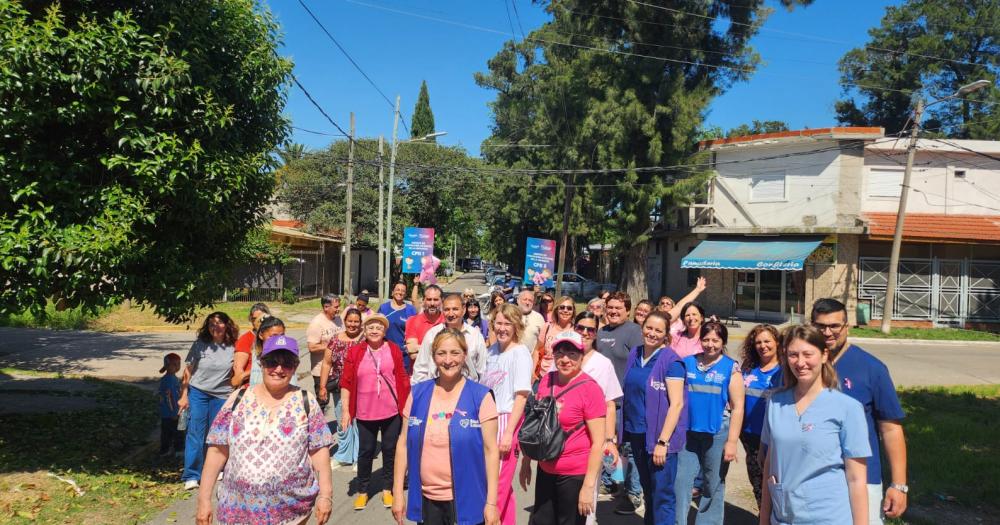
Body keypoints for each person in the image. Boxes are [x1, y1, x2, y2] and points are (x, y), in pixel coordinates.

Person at [196, 335, 334, 525]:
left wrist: (326, 496)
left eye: (286, 363)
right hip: (237, 510)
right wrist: (204, 500)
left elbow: (319, 452)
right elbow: (217, 451)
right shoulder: (238, 398)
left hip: (291, 512)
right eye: (272, 362)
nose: (278, 369)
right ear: (261, 363)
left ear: (295, 367)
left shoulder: (306, 401)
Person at [759, 324, 870, 525]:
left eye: (808, 354)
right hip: (783, 516)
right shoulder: (775, 403)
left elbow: (857, 480)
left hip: (828, 517)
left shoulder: (848, 408)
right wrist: (764, 519)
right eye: (793, 355)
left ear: (824, 355)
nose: (800, 363)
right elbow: (770, 464)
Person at [812, 298, 908, 523]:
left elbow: (891, 429)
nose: (827, 332)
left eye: (835, 326)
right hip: (815, 476)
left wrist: (899, 485)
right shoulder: (805, 365)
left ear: (846, 326)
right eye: (821, 326)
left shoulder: (872, 369)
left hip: (863, 478)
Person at [392, 329, 501, 525]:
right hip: (428, 501)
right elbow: (403, 445)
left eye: (455, 353)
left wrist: (492, 503)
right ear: (433, 357)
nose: (448, 360)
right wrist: (398, 493)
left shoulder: (481, 396)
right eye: (441, 353)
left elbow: (491, 452)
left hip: (468, 501)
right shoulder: (417, 394)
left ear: (464, 355)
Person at [518, 335, 606, 525]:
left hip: (574, 474)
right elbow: (536, 424)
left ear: (582, 357)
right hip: (546, 468)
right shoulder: (546, 380)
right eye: (560, 353)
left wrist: (588, 487)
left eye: (572, 354)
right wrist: (526, 461)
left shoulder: (590, 389)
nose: (565, 360)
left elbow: (599, 442)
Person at [674, 321, 745, 525]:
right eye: (706, 339)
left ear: (723, 342)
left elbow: (738, 407)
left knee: (712, 484)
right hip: (688, 434)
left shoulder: (731, 368)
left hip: (717, 433)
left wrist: (732, 441)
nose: (710, 344)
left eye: (715, 340)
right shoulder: (687, 363)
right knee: (681, 482)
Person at [619, 311, 687, 525]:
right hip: (637, 434)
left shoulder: (671, 361)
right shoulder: (636, 353)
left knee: (662, 497)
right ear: (642, 327)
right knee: (649, 493)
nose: (652, 333)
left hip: (659, 440)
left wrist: (663, 442)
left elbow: (677, 404)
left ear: (667, 334)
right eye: (649, 327)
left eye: (659, 330)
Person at [341, 314, 412, 510]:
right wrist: (346, 411)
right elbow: (346, 382)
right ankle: (363, 491)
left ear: (384, 331)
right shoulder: (355, 352)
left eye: (378, 328)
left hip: (391, 412)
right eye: (370, 327)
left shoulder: (394, 349)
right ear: (365, 330)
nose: (374, 330)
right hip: (365, 412)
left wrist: (406, 407)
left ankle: (387, 489)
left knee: (390, 451)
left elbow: (403, 379)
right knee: (366, 452)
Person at [481, 303, 533, 525]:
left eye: (507, 324)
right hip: (488, 418)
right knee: (496, 482)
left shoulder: (520, 353)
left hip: (506, 418)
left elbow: (521, 396)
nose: (502, 328)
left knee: (498, 482)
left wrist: (508, 433)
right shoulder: (491, 351)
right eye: (498, 323)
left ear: (516, 326)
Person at [566, 316, 622, 520]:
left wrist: (609, 440)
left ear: (596, 334)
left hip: (593, 440)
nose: (585, 333)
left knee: (588, 494)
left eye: (591, 330)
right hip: (565, 440)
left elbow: (610, 405)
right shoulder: (563, 358)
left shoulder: (603, 363)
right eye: (581, 328)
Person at [178, 312, 238, 490]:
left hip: (222, 396)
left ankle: (217, 468)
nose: (215, 327)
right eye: (211, 324)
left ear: (227, 325)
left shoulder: (234, 346)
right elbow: (188, 371)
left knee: (218, 436)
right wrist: (183, 395)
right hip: (199, 393)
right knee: (195, 432)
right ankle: (192, 474)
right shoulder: (200, 344)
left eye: (219, 323)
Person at [739, 324, 783, 507]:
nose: (763, 346)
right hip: (750, 435)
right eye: (758, 342)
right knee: (758, 484)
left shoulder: (784, 371)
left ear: (777, 343)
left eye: (767, 341)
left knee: (776, 483)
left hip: (774, 438)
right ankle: (763, 515)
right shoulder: (748, 368)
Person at [412, 294, 489, 383]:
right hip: (437, 391)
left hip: (467, 392)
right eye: (447, 309)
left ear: (463, 310)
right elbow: (420, 369)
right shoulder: (432, 335)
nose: (451, 314)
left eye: (455, 309)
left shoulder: (475, 336)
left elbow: (483, 371)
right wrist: (419, 393)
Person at [308, 294, 344, 419]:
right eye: (336, 307)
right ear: (326, 307)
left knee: (341, 404)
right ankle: (317, 432)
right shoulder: (316, 323)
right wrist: (331, 345)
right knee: (322, 404)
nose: (338, 309)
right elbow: (312, 347)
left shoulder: (339, 319)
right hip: (321, 372)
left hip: (338, 371)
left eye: (339, 306)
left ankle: (342, 432)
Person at [532, 296, 576, 382]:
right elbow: (537, 350)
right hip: (544, 376)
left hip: (567, 378)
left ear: (573, 311)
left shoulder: (576, 330)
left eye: (569, 308)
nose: (565, 310)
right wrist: (533, 371)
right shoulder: (547, 327)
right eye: (562, 307)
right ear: (556, 309)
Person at [667, 277, 709, 359]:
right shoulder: (676, 337)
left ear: (702, 318)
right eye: (687, 315)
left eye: (694, 314)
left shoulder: (708, 338)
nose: (691, 318)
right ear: (683, 320)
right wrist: (697, 290)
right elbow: (677, 308)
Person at [379, 282, 419, 368]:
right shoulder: (384, 308)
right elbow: (377, 328)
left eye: (403, 291)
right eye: (397, 290)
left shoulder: (410, 310)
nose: (400, 292)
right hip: (385, 352)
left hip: (403, 355)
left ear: (405, 294)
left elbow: (415, 331)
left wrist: (416, 285)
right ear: (392, 292)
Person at [231, 302, 271, 388]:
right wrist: (262, 369)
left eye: (262, 318)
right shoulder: (246, 339)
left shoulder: (275, 337)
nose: (258, 322)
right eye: (254, 319)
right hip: (251, 388)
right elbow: (238, 375)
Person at [405, 284, 444, 369]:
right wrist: (441, 351)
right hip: (420, 375)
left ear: (441, 301)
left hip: (443, 376)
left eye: (436, 299)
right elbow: (412, 353)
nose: (432, 303)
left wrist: (420, 348)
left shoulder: (447, 322)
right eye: (429, 299)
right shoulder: (412, 321)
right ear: (423, 301)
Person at [246, 316, 287, 387]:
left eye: (281, 336)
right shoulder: (256, 354)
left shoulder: (286, 356)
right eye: (274, 336)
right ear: (261, 335)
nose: (278, 340)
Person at [158, 353, 184, 456]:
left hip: (167, 412)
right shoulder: (170, 380)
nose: (177, 367)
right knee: (177, 432)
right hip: (172, 413)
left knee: (167, 431)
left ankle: (166, 449)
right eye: (175, 364)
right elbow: (170, 397)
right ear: (168, 366)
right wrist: (174, 412)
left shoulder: (170, 378)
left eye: (178, 364)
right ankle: (177, 450)